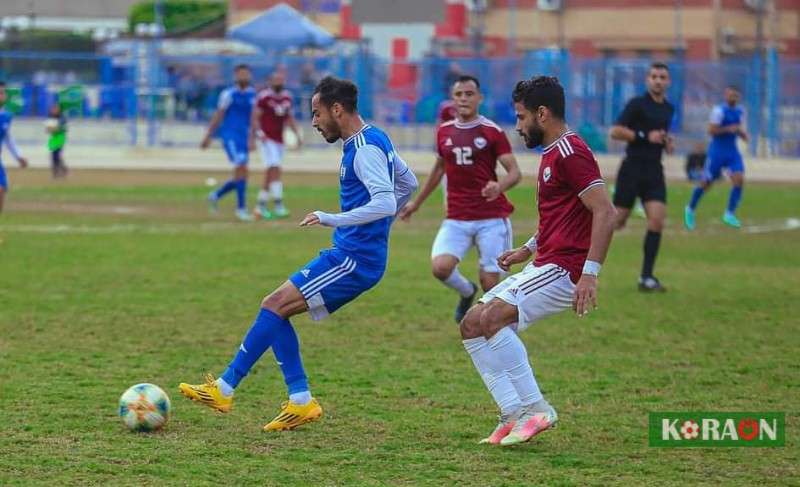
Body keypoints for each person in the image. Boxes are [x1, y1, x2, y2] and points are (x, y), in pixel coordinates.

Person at [179, 76, 419, 432]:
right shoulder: (373, 138)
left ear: (337, 109)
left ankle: (228, 390)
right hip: (354, 253)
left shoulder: (365, 148)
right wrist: (376, 230)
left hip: (354, 259)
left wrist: (333, 219)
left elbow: (385, 201)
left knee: (273, 305)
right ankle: (298, 401)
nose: (314, 122)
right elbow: (408, 183)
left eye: (317, 112)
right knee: (276, 309)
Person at [459, 76, 616, 446]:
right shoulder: (552, 154)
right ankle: (513, 413)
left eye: (520, 116)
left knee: (494, 316)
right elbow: (561, 216)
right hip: (544, 262)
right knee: (471, 323)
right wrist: (527, 248)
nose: (517, 125)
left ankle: (537, 408)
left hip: (566, 270)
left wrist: (590, 274)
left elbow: (605, 212)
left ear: (541, 114)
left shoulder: (570, 153)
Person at [399, 75, 521, 323]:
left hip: (491, 218)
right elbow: (439, 169)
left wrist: (499, 186)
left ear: (479, 98)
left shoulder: (491, 131)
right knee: (440, 267)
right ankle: (466, 292)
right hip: (456, 217)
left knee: (490, 283)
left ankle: (497, 329)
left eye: (469, 94)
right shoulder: (444, 131)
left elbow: (515, 172)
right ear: (452, 99)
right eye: (459, 94)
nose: (464, 99)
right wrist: (416, 203)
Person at [609, 62, 675, 292]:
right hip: (632, 169)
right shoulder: (637, 105)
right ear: (648, 80)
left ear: (668, 82)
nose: (658, 80)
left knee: (657, 220)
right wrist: (645, 136)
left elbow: (661, 136)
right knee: (616, 222)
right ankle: (578, 264)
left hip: (654, 171)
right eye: (654, 76)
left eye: (662, 77)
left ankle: (646, 277)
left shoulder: (668, 109)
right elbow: (616, 131)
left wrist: (667, 142)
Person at [684, 86, 748, 230]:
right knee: (706, 183)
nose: (733, 98)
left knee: (739, 179)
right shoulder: (719, 111)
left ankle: (729, 214)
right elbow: (711, 131)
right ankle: (690, 208)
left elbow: (738, 128)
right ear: (726, 95)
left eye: (736, 96)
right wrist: (728, 129)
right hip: (717, 152)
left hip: (732, 152)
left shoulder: (740, 111)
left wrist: (742, 134)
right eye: (731, 95)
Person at [202, 64, 256, 222]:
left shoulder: (253, 94)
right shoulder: (228, 94)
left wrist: (253, 137)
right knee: (240, 168)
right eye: (240, 74)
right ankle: (241, 209)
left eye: (246, 74)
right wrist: (209, 135)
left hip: (244, 137)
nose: (243, 77)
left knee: (243, 174)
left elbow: (254, 117)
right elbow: (219, 115)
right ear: (235, 76)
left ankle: (216, 195)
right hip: (230, 136)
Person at [250, 70, 302, 220]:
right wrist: (257, 134)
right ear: (270, 81)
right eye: (276, 80)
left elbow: (289, 117)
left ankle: (261, 205)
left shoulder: (287, 97)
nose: (279, 82)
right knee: (274, 168)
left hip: (279, 139)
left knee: (273, 171)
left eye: (281, 79)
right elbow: (255, 117)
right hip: (267, 139)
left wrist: (297, 135)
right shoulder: (264, 97)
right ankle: (276, 204)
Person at [0, 81, 29, 214]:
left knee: (2, 190)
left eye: (3, 92)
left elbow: (8, 138)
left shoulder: (6, 116)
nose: (2, 95)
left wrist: (18, 156)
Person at [46, 103, 68, 178]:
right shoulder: (50, 117)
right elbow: (48, 129)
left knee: (56, 155)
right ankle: (62, 170)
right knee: (54, 155)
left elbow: (63, 129)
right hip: (53, 139)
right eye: (53, 109)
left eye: (56, 109)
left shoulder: (62, 118)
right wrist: (53, 129)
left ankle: (57, 172)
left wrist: (55, 129)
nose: (54, 110)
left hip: (60, 138)